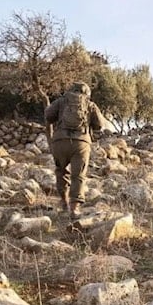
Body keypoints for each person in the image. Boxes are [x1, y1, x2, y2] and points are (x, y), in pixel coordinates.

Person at [44, 81, 107, 219]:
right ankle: (74, 209)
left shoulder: (61, 101)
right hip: (81, 143)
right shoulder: (90, 105)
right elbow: (100, 125)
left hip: (60, 142)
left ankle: (64, 202)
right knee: (78, 175)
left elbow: (48, 115)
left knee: (61, 171)